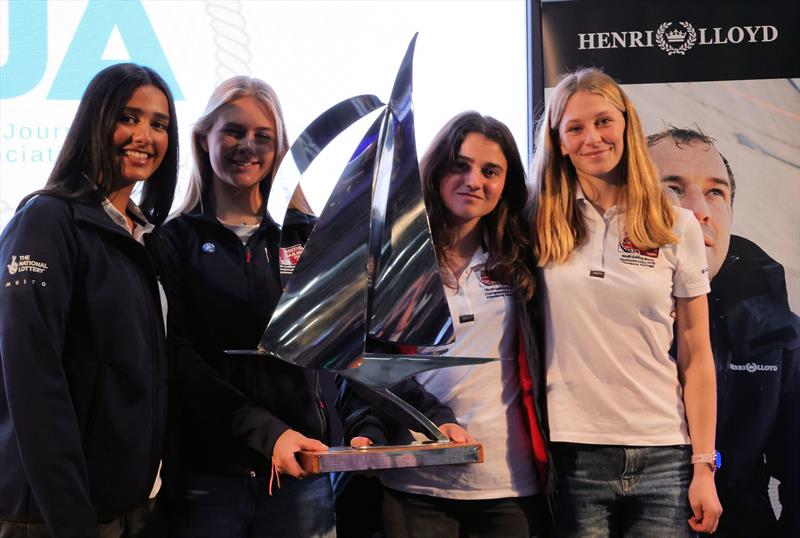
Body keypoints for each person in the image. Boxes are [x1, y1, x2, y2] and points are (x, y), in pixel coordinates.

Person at [529, 67, 722, 536]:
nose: (592, 137)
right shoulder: (537, 222)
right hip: (573, 455)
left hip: (664, 453)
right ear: (559, 141)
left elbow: (696, 354)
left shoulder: (676, 224)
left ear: (626, 125)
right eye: (575, 127)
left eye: (603, 121)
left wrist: (704, 467)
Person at [343, 111, 552, 538]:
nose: (474, 181)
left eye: (490, 171)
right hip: (415, 481)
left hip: (509, 482)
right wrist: (367, 429)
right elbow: (362, 365)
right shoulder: (391, 260)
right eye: (461, 165)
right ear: (437, 171)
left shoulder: (522, 257)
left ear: (506, 183)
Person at [150, 76, 336, 537]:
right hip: (208, 479)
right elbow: (179, 357)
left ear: (280, 149)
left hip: (301, 473)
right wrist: (264, 431)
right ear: (204, 138)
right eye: (233, 132)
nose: (248, 146)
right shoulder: (172, 240)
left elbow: (347, 344)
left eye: (262, 136)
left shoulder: (310, 236)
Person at [0, 63, 178, 537]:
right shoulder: (47, 220)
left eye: (159, 124)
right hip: (52, 515)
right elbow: (33, 380)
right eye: (128, 117)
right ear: (95, 122)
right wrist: (71, 519)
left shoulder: (146, 237)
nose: (144, 136)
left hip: (127, 508)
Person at [648, 127, 799, 537]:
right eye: (673, 188)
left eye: (715, 192)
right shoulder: (583, 319)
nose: (699, 211)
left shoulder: (779, 333)